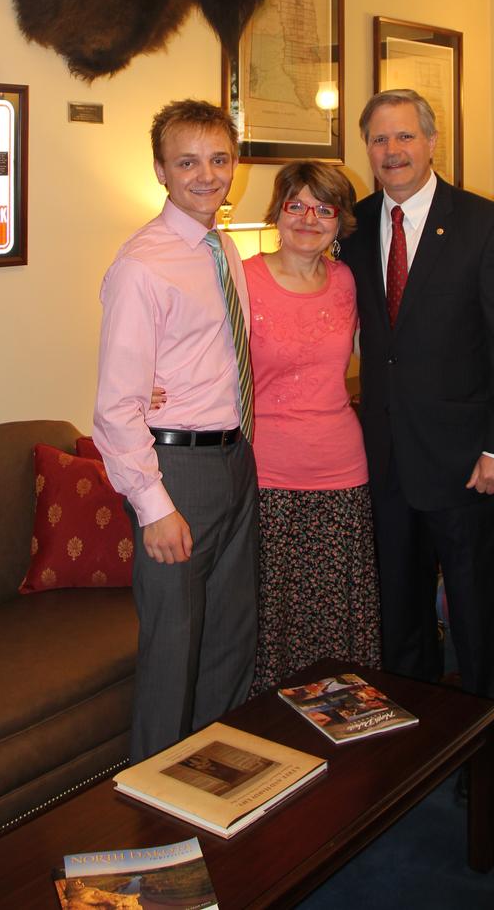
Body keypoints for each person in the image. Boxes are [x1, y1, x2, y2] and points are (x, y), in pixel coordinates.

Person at [340, 88, 494, 738]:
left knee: (479, 616)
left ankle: (488, 744)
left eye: (405, 136)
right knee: (400, 617)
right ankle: (414, 743)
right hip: (386, 462)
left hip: (468, 465)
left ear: (431, 142)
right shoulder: (354, 226)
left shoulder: (488, 225)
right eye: (379, 139)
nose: (392, 150)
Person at [93, 99, 258, 760]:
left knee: (229, 642)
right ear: (160, 170)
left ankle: (217, 781)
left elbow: (215, 356)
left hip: (234, 459)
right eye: (187, 162)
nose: (206, 175)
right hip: (177, 472)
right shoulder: (143, 265)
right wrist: (154, 506)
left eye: (219, 159)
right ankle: (150, 803)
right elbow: (115, 407)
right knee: (173, 651)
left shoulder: (225, 246)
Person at [244, 161, 380, 693]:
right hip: (267, 477)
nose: (308, 218)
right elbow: (197, 353)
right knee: (271, 623)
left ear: (340, 221)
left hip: (342, 473)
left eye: (324, 209)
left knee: (337, 620)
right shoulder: (242, 279)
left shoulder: (347, 281)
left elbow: (388, 351)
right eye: (296, 204)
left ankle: (341, 726)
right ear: (277, 212)